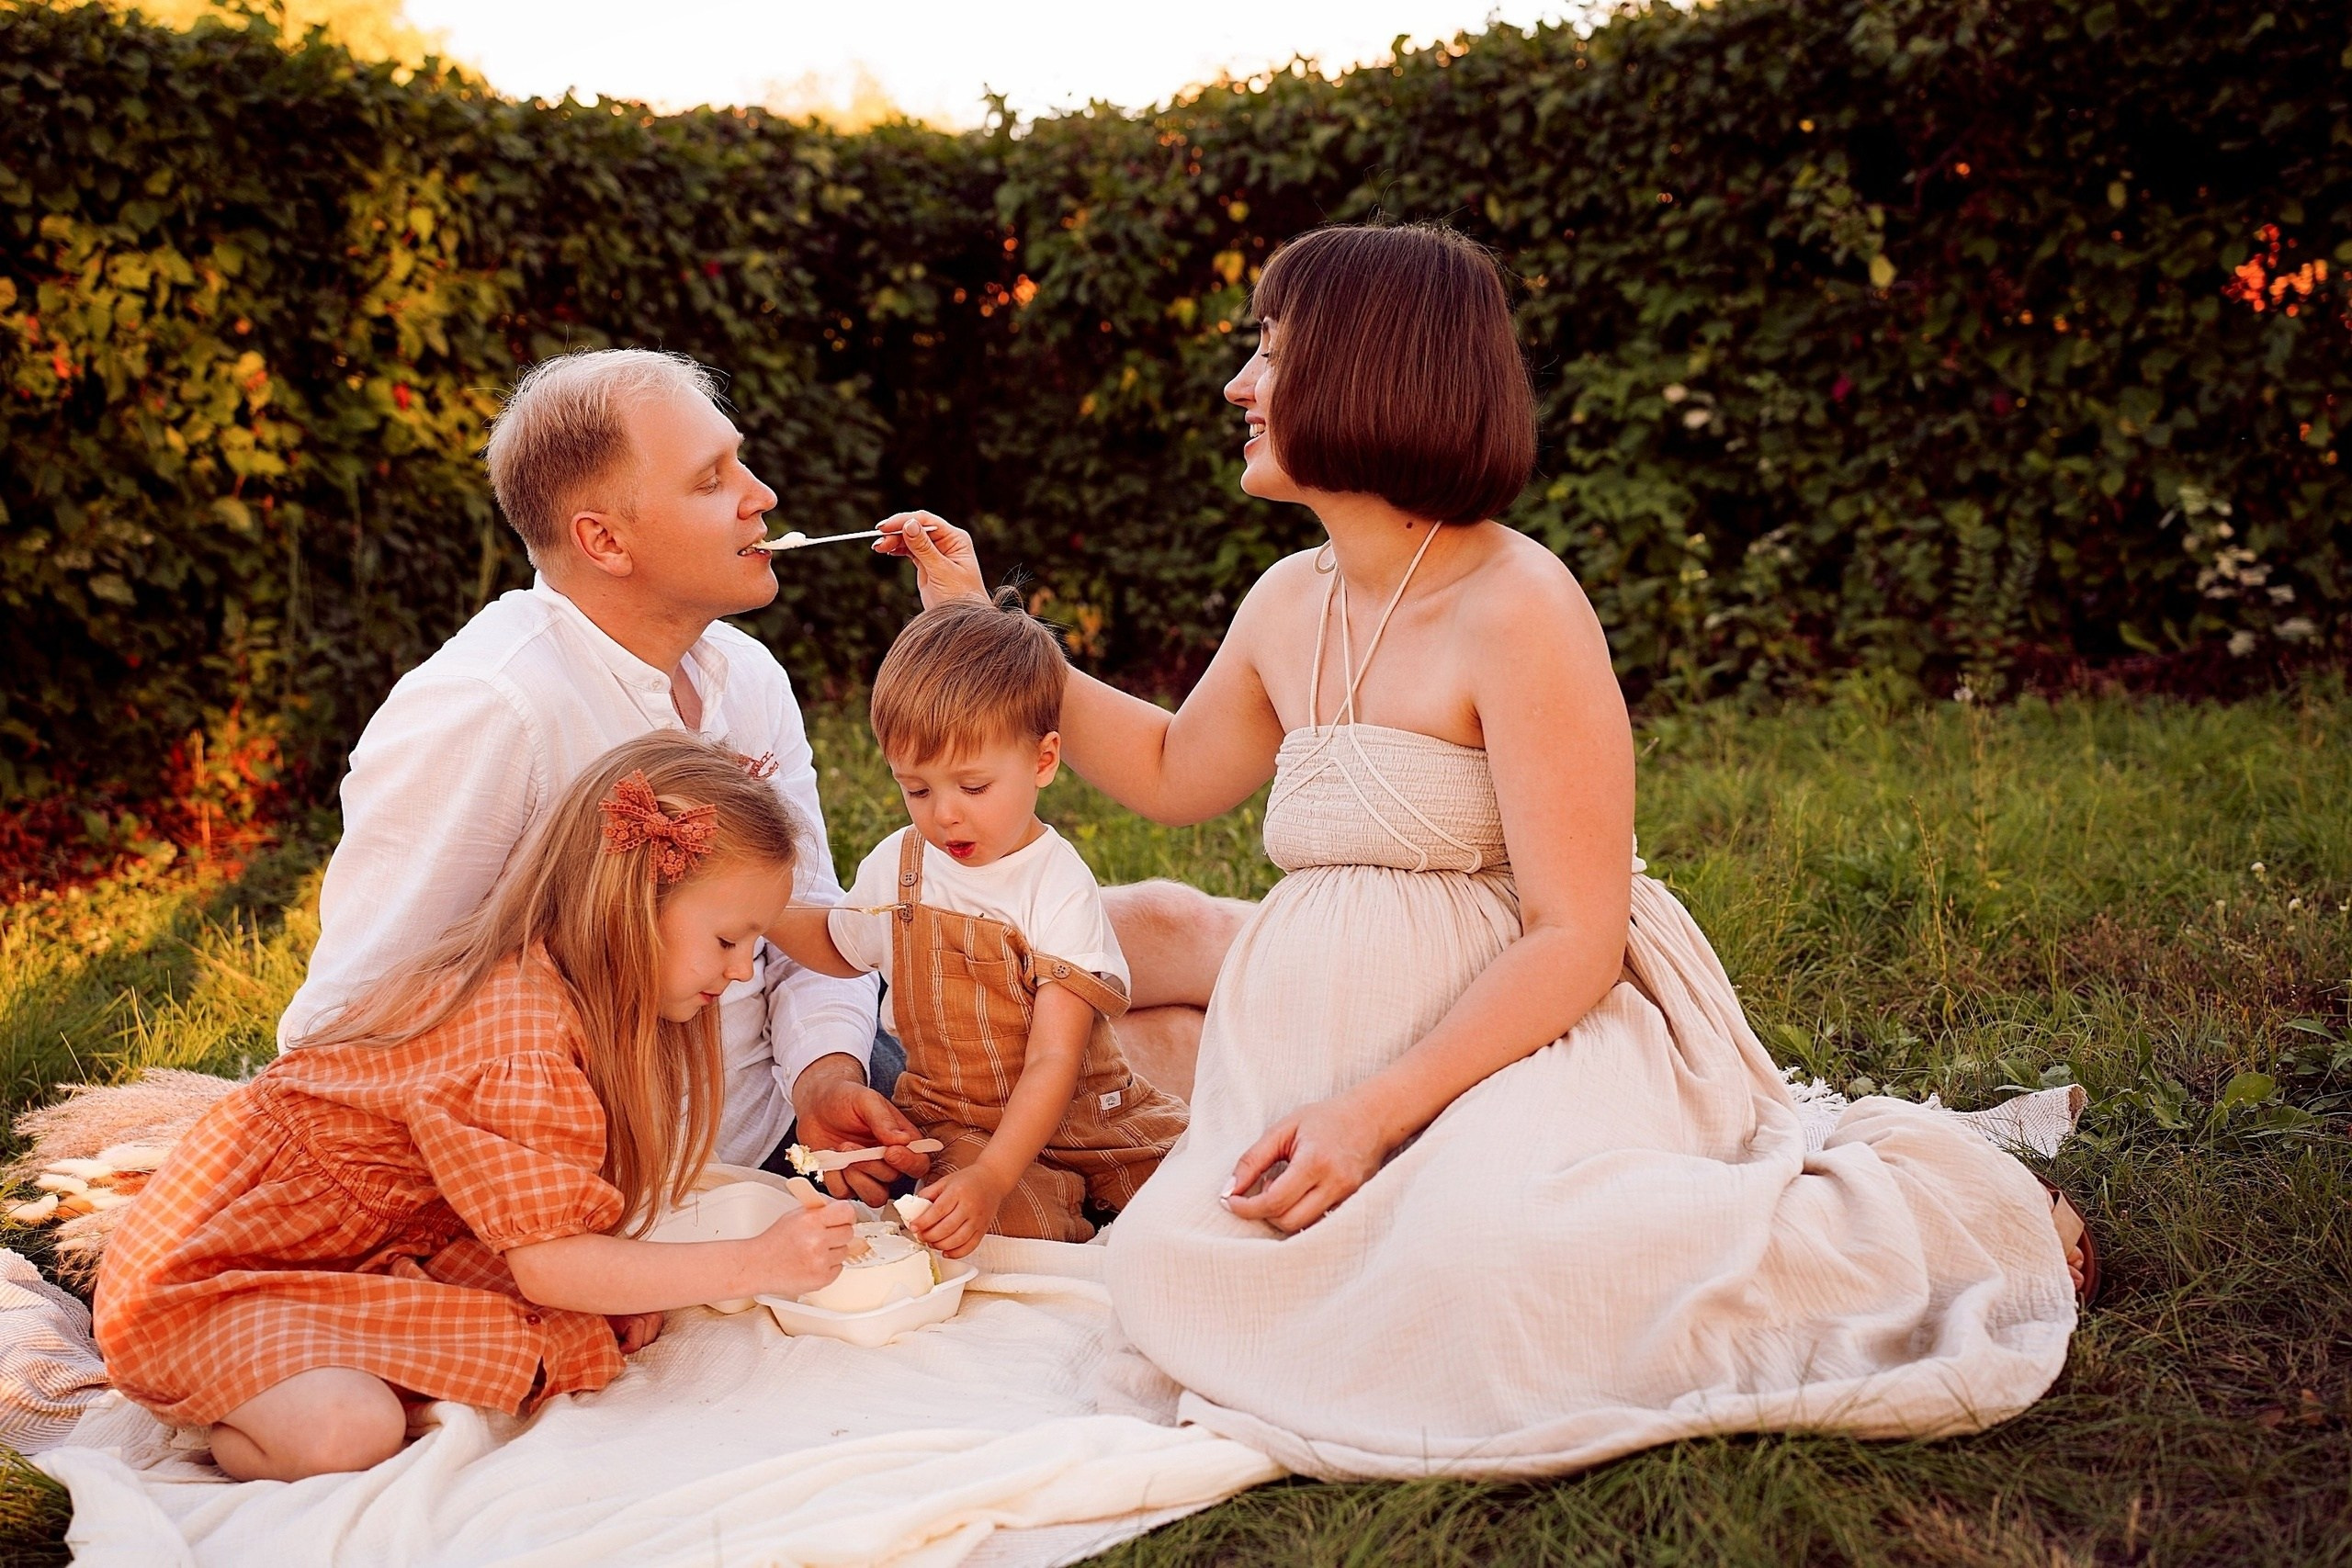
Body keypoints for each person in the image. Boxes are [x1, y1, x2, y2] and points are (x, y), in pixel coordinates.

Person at [881, 221, 2093, 1480]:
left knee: (1496, 1262)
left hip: (1522, 1035)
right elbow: (1174, 772)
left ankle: (1971, 1227)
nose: (1240, 387)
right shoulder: (1289, 600)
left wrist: (1372, 1111)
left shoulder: (1518, 604)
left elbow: (1578, 931)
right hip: (1326, 1064)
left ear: (1367, 372)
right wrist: (982, 627)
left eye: (1271, 355)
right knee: (1172, 1275)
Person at [96, 735, 862, 1482]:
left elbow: (520, 1224)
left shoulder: (565, 1002)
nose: (738, 971)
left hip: (352, 1251)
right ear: (630, 907)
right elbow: (554, 1265)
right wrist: (760, 1263)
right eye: (730, 940)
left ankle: (300, 1357)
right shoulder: (520, 1048)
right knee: (348, 1430)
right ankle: (215, 1401)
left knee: (574, 1325)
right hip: (204, 1278)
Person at [768, 597, 1187, 1256]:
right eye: (918, 788)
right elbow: (840, 945)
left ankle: (1099, 1202)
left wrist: (995, 1173)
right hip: (960, 1121)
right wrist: (762, 907)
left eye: (973, 786)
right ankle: (1054, 1215)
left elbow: (1055, 1055)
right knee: (987, 1234)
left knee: (1202, 1196)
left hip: (1090, 1115)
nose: (945, 817)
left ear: (1044, 760)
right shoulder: (901, 865)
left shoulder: (1055, 882)